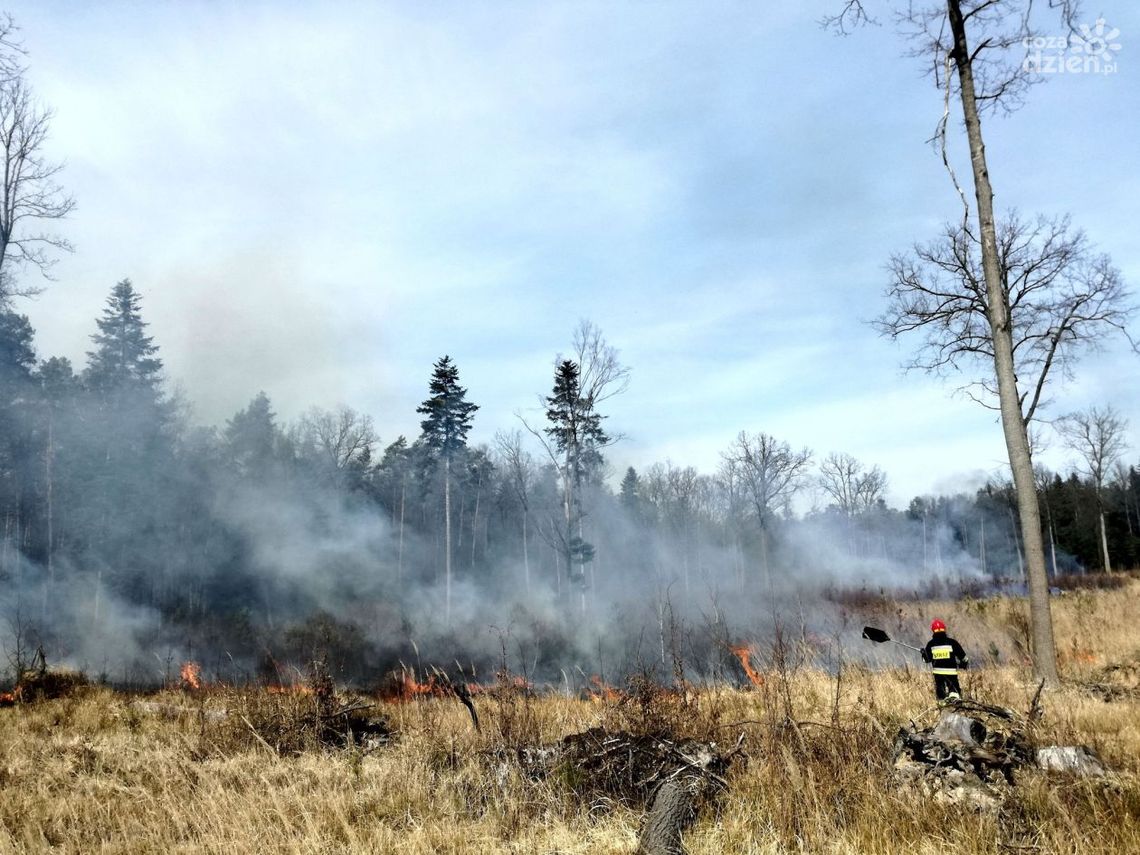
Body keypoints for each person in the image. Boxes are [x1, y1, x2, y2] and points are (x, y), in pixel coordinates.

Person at [921, 619, 969, 702]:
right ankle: (956, 703)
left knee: (940, 691)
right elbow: (963, 657)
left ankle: (942, 704)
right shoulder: (952, 642)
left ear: (933, 630)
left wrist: (923, 653)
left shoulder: (931, 644)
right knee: (954, 691)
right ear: (944, 629)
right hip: (951, 672)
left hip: (938, 673)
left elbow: (926, 660)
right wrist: (964, 664)